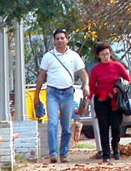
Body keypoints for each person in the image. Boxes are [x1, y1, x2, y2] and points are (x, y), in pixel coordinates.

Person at [34, 29, 90, 163]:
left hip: (68, 93)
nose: (60, 41)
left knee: (66, 125)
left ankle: (64, 153)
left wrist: (86, 85)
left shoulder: (74, 56)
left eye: (62, 38)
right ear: (54, 40)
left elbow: (83, 73)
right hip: (52, 92)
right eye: (57, 38)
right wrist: (36, 95)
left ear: (67, 40)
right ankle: (53, 153)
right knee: (52, 122)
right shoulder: (48, 56)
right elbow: (42, 76)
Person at [88, 42, 131, 163]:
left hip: (115, 100)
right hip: (101, 100)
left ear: (110, 54)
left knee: (116, 127)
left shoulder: (118, 66)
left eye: (107, 54)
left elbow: (128, 80)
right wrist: (89, 99)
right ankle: (106, 153)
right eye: (103, 54)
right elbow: (92, 86)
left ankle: (115, 148)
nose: (106, 57)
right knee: (103, 126)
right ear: (99, 56)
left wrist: (119, 88)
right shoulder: (96, 69)